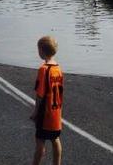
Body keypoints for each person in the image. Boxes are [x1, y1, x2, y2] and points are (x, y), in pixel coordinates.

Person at [30, 36, 64, 165]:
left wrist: (35, 112)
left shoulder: (44, 70)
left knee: (40, 141)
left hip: (45, 113)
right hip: (56, 111)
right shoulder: (58, 69)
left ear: (41, 51)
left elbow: (40, 94)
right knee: (55, 139)